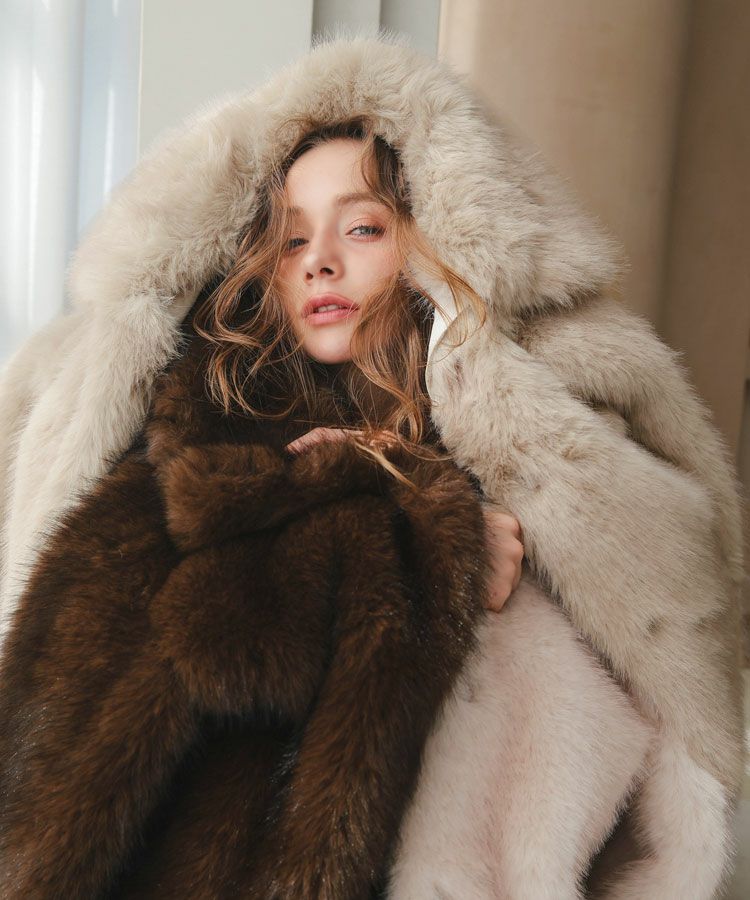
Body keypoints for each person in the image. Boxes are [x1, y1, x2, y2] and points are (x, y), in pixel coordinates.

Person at [0, 33, 744, 899]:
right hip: (231, 802)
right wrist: (419, 523)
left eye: (362, 227)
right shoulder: (209, 386)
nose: (320, 260)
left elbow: (658, 567)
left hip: (440, 821)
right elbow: (206, 618)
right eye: (291, 240)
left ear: (432, 236)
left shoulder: (541, 377)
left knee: (530, 640)